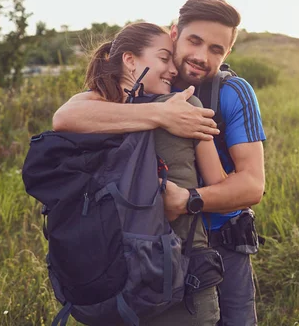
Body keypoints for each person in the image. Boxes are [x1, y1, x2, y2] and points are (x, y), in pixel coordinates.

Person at [53, 0, 266, 326]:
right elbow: (67, 115)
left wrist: (187, 200)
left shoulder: (231, 93)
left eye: (216, 49)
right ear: (174, 34)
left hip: (223, 245)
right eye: (194, 40)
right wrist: (162, 114)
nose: (201, 56)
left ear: (227, 54)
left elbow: (252, 185)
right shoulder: (136, 83)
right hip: (146, 248)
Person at [83, 21, 224, 325]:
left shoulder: (89, 114)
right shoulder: (185, 105)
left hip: (111, 275)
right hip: (180, 274)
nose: (173, 70)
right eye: (164, 59)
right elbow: (219, 184)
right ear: (130, 60)